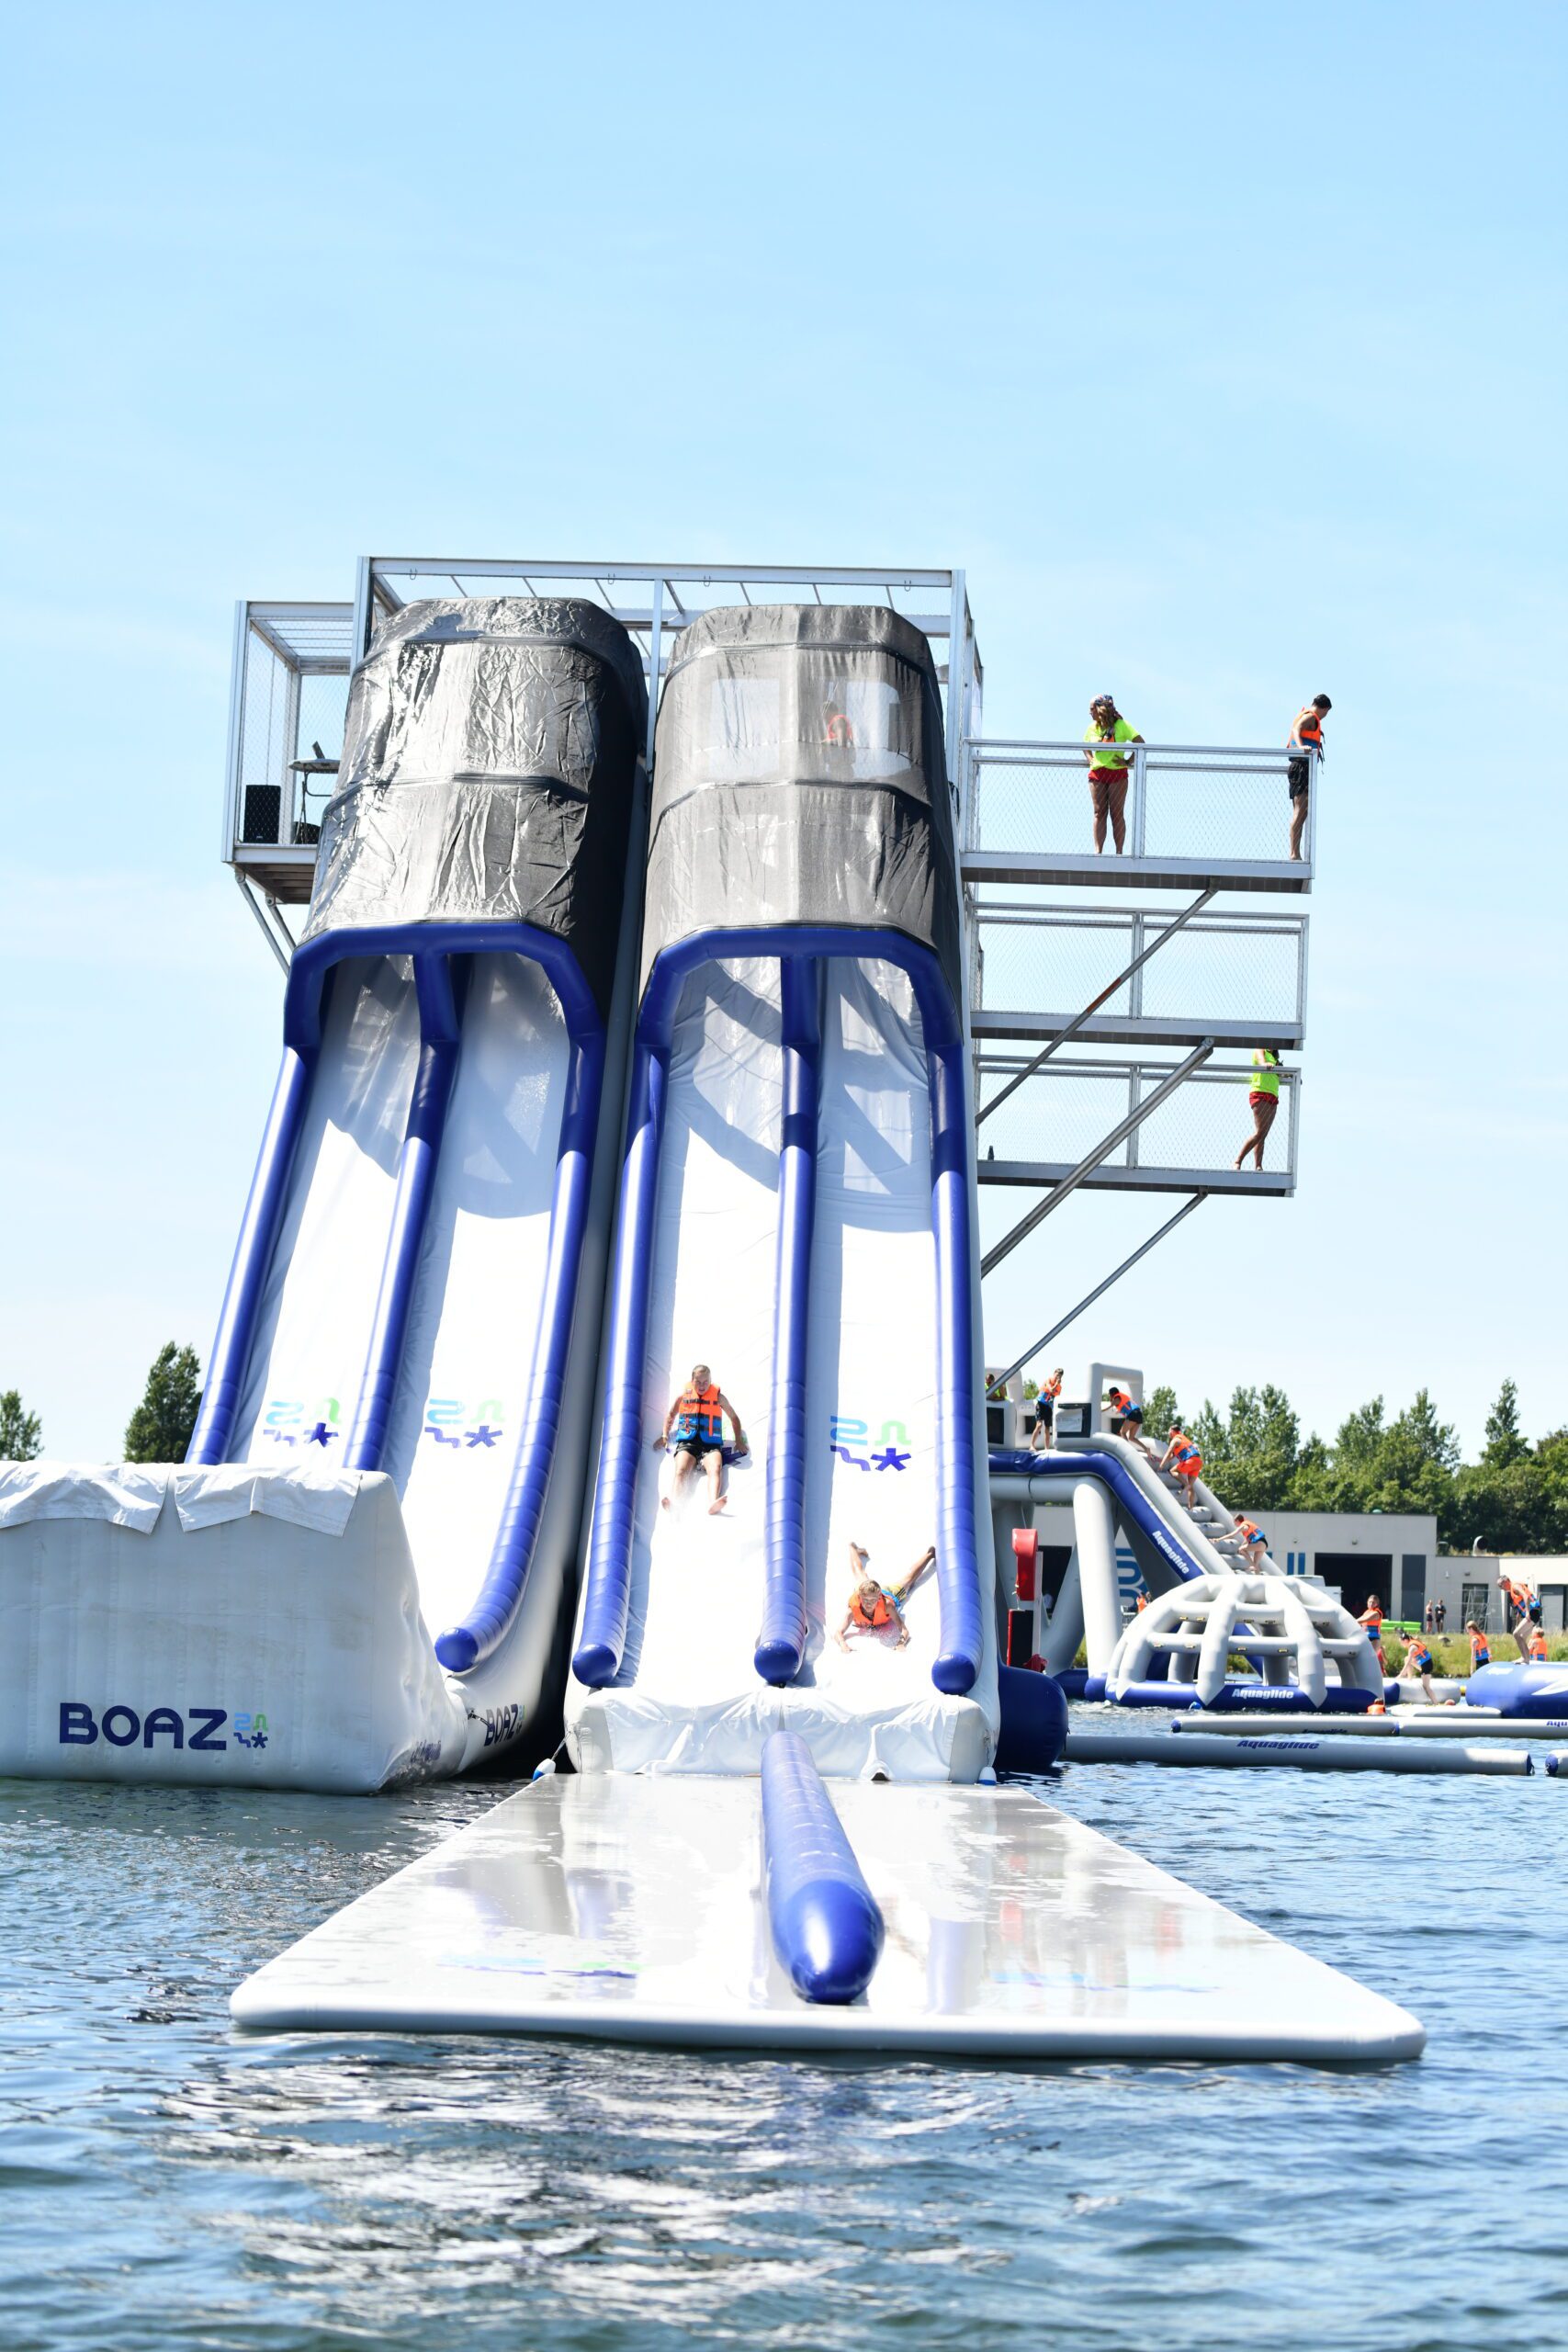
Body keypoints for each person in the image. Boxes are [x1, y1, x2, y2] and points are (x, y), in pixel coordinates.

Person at [656, 1364, 747, 1514]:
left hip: (711, 1444)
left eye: (706, 1382)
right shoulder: (683, 1396)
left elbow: (734, 1418)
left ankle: (713, 1503)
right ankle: (675, 1504)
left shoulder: (719, 1397)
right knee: (681, 1470)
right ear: (692, 1381)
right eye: (699, 1382)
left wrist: (739, 1440)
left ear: (710, 1381)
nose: (703, 1385)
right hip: (688, 1443)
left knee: (715, 1468)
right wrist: (665, 1435)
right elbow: (671, 1415)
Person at [834, 1542, 935, 1652]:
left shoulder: (887, 1605)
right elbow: (838, 1633)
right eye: (865, 1600)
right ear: (860, 1598)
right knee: (859, 1573)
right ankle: (852, 1547)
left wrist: (901, 1643)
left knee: (909, 1581)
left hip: (887, 1592)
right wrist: (843, 1645)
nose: (868, 1604)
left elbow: (904, 1630)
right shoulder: (853, 1609)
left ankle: (930, 1554)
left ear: (878, 1599)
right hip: (865, 1589)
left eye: (873, 1600)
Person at [1082, 694, 1145, 855]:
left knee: (1116, 813)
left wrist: (1129, 761)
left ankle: (1119, 852)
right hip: (1098, 773)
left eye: (1091, 709)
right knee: (1098, 812)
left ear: (1099, 709)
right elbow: (1084, 745)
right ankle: (1098, 852)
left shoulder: (1121, 725)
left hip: (1117, 773)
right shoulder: (1092, 727)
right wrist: (1090, 759)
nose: (1090, 713)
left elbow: (1141, 743)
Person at [1287, 694, 1330, 861]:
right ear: (1324, 709)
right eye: (1326, 713)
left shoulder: (1309, 717)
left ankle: (1295, 853)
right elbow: (1296, 729)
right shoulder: (1310, 717)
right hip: (1301, 767)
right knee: (1300, 811)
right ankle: (1294, 854)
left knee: (1302, 812)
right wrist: (1300, 746)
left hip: (1301, 767)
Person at [1234, 1046, 1283, 1171]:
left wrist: (1293, 1076)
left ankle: (1258, 1165)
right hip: (1260, 1093)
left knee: (1263, 1134)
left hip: (1272, 1095)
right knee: (1260, 1132)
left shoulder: (1275, 1058)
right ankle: (1238, 1161)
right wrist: (1265, 1063)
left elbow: (1283, 1074)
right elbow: (1261, 1061)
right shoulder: (1260, 1050)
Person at [1158, 1425, 1204, 1516]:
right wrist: (1161, 1459)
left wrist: (1161, 1465)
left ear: (1173, 1431)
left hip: (1190, 1461)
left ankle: (1185, 1485)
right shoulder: (1184, 1439)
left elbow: (1169, 1452)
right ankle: (1191, 1508)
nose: (1168, 1434)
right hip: (1198, 1462)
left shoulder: (1175, 1440)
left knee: (1172, 1471)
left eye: (1169, 1431)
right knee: (1191, 1487)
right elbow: (1172, 1456)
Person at [1400, 1625, 1439, 1702]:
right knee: (1406, 1658)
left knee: (1426, 1686)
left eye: (1401, 1642)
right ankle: (1409, 1679)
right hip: (1423, 1664)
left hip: (1426, 1665)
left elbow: (1408, 1663)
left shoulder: (1412, 1647)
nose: (1401, 1644)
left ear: (1405, 1641)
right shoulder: (1412, 1643)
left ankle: (1436, 1703)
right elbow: (1409, 1660)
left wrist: (1401, 1674)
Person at [1031, 1368, 1064, 1451]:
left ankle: (1046, 1449)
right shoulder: (1048, 1380)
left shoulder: (1060, 1387)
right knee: (1039, 1425)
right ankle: (1032, 1446)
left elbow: (1056, 1397)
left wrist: (1057, 1385)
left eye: (1059, 1376)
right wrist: (1056, 1383)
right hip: (1041, 1404)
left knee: (1047, 1428)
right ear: (1054, 1374)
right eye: (1057, 1375)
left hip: (1048, 1407)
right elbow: (1051, 1389)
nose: (1057, 1378)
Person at [1358, 1593, 1387, 1675]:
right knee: (1363, 1657)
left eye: (1373, 1602)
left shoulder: (1376, 1613)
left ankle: (1378, 1674)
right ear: (1367, 1603)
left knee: (1371, 1658)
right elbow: (1360, 1619)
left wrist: (1350, 1621)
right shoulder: (1366, 1612)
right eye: (1370, 1602)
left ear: (1377, 1604)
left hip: (1374, 1639)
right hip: (1365, 1638)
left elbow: (1364, 1620)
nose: (1371, 1604)